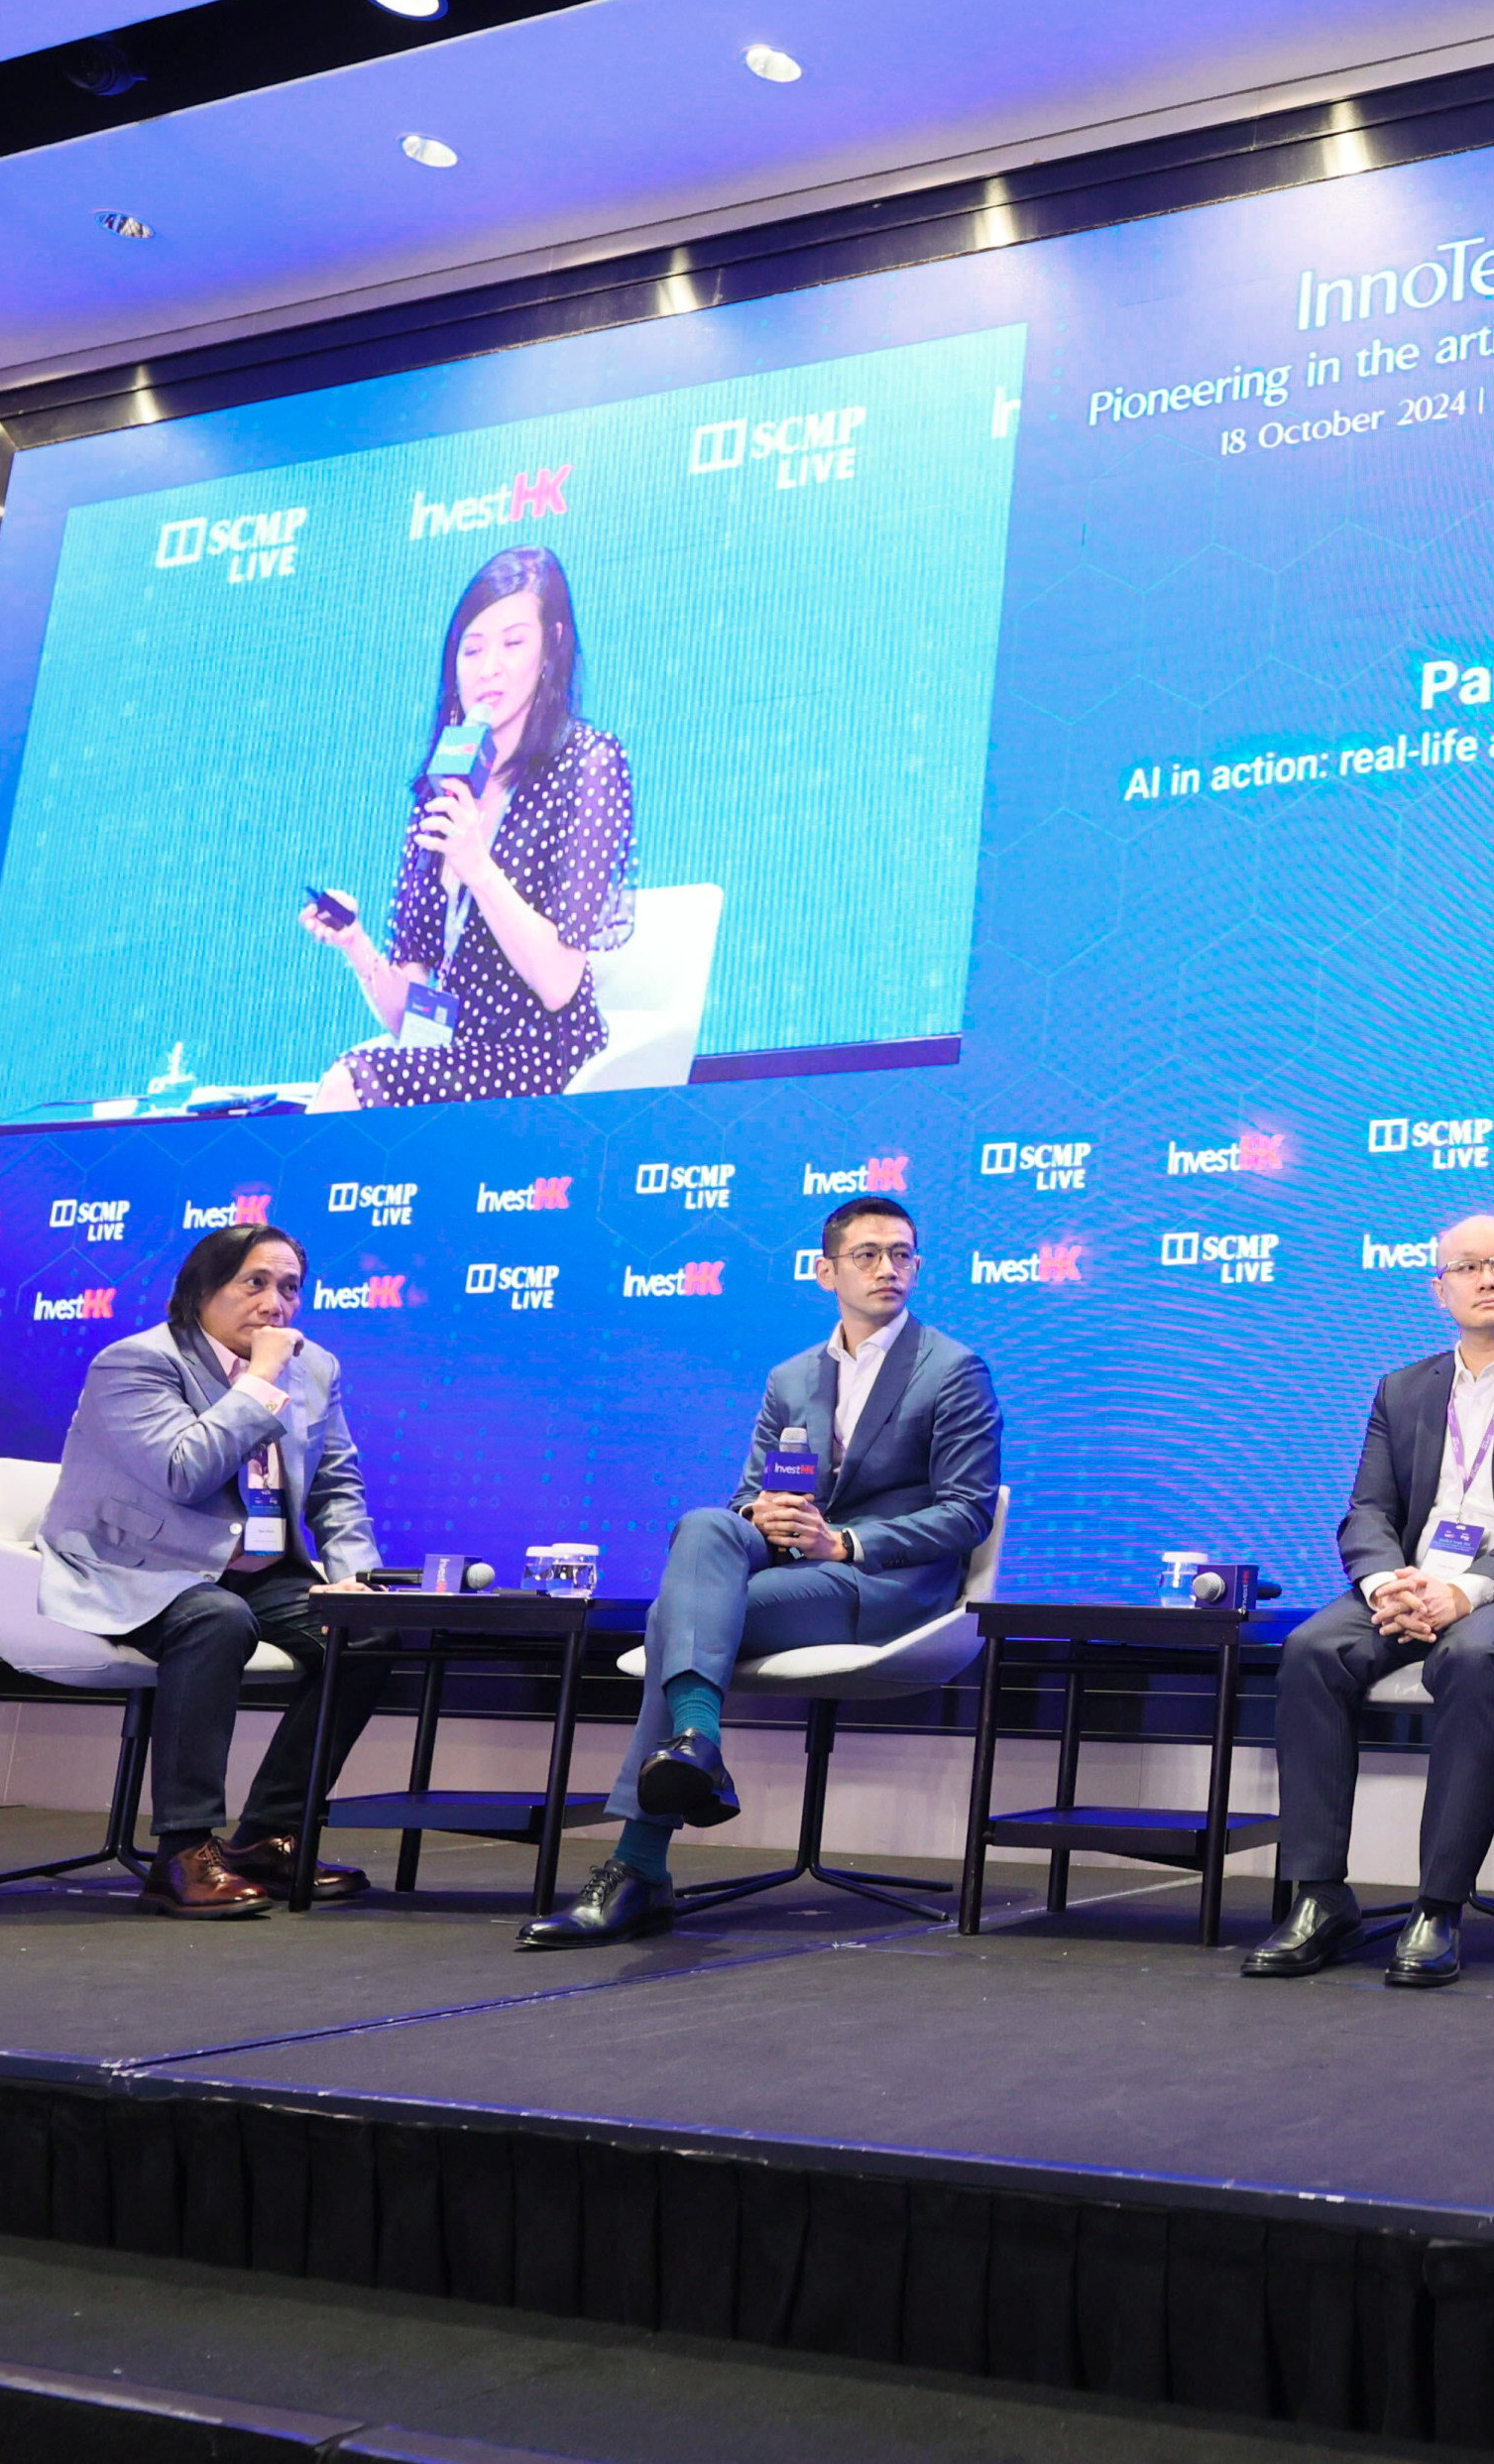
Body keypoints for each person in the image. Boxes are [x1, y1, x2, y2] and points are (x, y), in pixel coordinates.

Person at [520, 1195, 1001, 1948]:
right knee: (707, 1524)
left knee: (672, 1615)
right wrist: (761, 1518)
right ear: (825, 1272)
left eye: (903, 1254)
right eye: (868, 1254)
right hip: (795, 1568)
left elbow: (967, 1514)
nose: (889, 1269)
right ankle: (693, 1753)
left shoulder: (951, 1370)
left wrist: (840, 1542)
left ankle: (643, 1857)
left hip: (885, 1586)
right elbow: (752, 1491)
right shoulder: (791, 1377)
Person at [1243, 1214, 1494, 1988]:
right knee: (1313, 1648)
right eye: (1467, 1267)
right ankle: (1319, 1897)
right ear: (1438, 1288)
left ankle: (1437, 1907)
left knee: (1473, 1652)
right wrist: (1390, 1584)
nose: (1487, 1278)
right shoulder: (1403, 1388)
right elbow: (1368, 1510)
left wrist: (1464, 1590)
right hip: (1412, 1582)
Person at [39, 1225, 392, 1918]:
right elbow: (183, 1472)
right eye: (253, 1283)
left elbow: (335, 1484)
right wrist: (258, 1380)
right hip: (140, 1565)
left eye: (289, 1287)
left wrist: (355, 1577)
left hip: (257, 1566)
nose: (275, 1303)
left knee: (368, 1633)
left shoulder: (315, 1367)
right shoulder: (136, 1363)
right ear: (202, 1291)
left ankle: (268, 1836)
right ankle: (182, 1852)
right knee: (214, 1617)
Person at [303, 544, 639, 1106]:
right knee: (347, 1081)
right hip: (456, 1052)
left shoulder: (590, 763)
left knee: (350, 1083)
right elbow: (411, 1020)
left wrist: (478, 867)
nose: (489, 669)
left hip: (549, 1057)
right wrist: (355, 943)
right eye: (472, 649)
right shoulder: (442, 784)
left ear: (552, 646)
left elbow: (558, 984)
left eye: (512, 644)